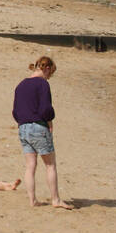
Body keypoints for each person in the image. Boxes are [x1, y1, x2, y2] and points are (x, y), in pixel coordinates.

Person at [12, 56, 73, 209]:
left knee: (30, 166)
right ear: (46, 68)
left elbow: (15, 111)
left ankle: (32, 200)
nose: (49, 76)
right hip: (38, 126)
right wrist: (49, 120)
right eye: (50, 73)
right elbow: (45, 108)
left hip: (23, 127)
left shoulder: (20, 85)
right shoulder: (42, 84)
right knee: (50, 165)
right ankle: (55, 199)